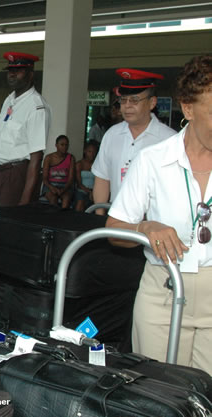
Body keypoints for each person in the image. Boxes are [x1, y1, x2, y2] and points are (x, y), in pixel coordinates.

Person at [106, 55, 212, 374]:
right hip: (164, 291)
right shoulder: (153, 161)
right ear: (188, 108)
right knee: (159, 392)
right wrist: (145, 227)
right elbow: (114, 229)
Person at [92, 68, 176, 214]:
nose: (127, 105)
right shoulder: (112, 135)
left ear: (152, 102)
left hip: (153, 226)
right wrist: (100, 219)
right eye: (123, 100)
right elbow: (102, 178)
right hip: (117, 222)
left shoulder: (169, 140)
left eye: (134, 100)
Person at [0, 51, 51, 207]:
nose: (12, 75)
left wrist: (25, 200)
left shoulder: (36, 106)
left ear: (30, 75)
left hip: (16, 175)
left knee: (7, 226)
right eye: (10, 71)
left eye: (18, 71)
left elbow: (36, 158)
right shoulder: (9, 100)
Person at [42, 134, 75, 208]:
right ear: (56, 145)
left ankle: (63, 218)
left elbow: (71, 179)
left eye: (66, 145)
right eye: (62, 145)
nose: (64, 147)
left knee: (66, 199)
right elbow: (44, 178)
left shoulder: (71, 158)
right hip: (50, 185)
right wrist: (52, 188)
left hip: (65, 186)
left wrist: (63, 189)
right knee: (53, 199)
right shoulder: (49, 158)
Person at [74, 140, 99, 212]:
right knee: (80, 203)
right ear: (85, 151)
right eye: (89, 152)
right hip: (82, 190)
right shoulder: (79, 164)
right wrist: (89, 192)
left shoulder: (97, 165)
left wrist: (93, 192)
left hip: (94, 190)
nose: (92, 154)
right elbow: (79, 184)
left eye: (94, 152)